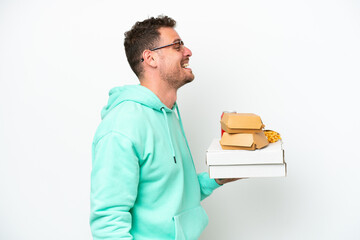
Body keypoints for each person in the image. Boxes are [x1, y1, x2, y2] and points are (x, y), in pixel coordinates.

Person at [90, 15, 237, 240]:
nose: (187, 51)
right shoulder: (122, 126)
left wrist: (217, 178)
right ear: (150, 58)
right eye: (177, 45)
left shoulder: (167, 114)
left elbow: (172, 193)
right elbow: (108, 223)